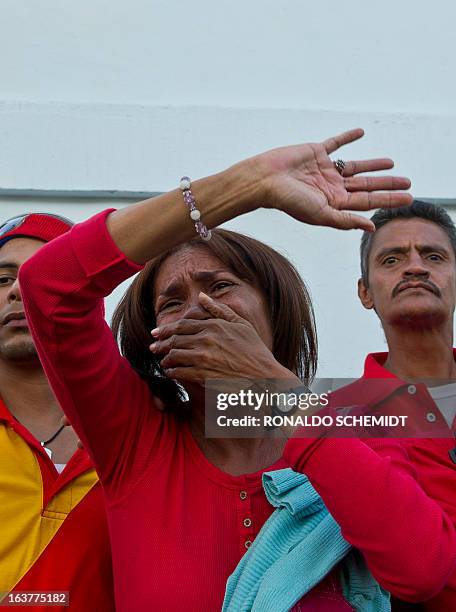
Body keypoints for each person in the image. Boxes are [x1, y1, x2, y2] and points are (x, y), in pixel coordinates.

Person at [18, 129, 456, 611]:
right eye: (171, 303)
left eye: (221, 286)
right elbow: (49, 286)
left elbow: (422, 571)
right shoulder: (135, 439)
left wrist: (270, 389)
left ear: (276, 311)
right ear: (153, 340)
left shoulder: (360, 423)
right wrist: (245, 186)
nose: (197, 308)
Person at [335, 199, 456, 611]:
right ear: (365, 292)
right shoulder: (339, 420)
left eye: (434, 256)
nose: (416, 267)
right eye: (392, 259)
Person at [0, 213, 115, 611]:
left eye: (43, 274)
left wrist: (259, 374)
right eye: (2, 279)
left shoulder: (147, 418)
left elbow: (318, 419)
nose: (18, 290)